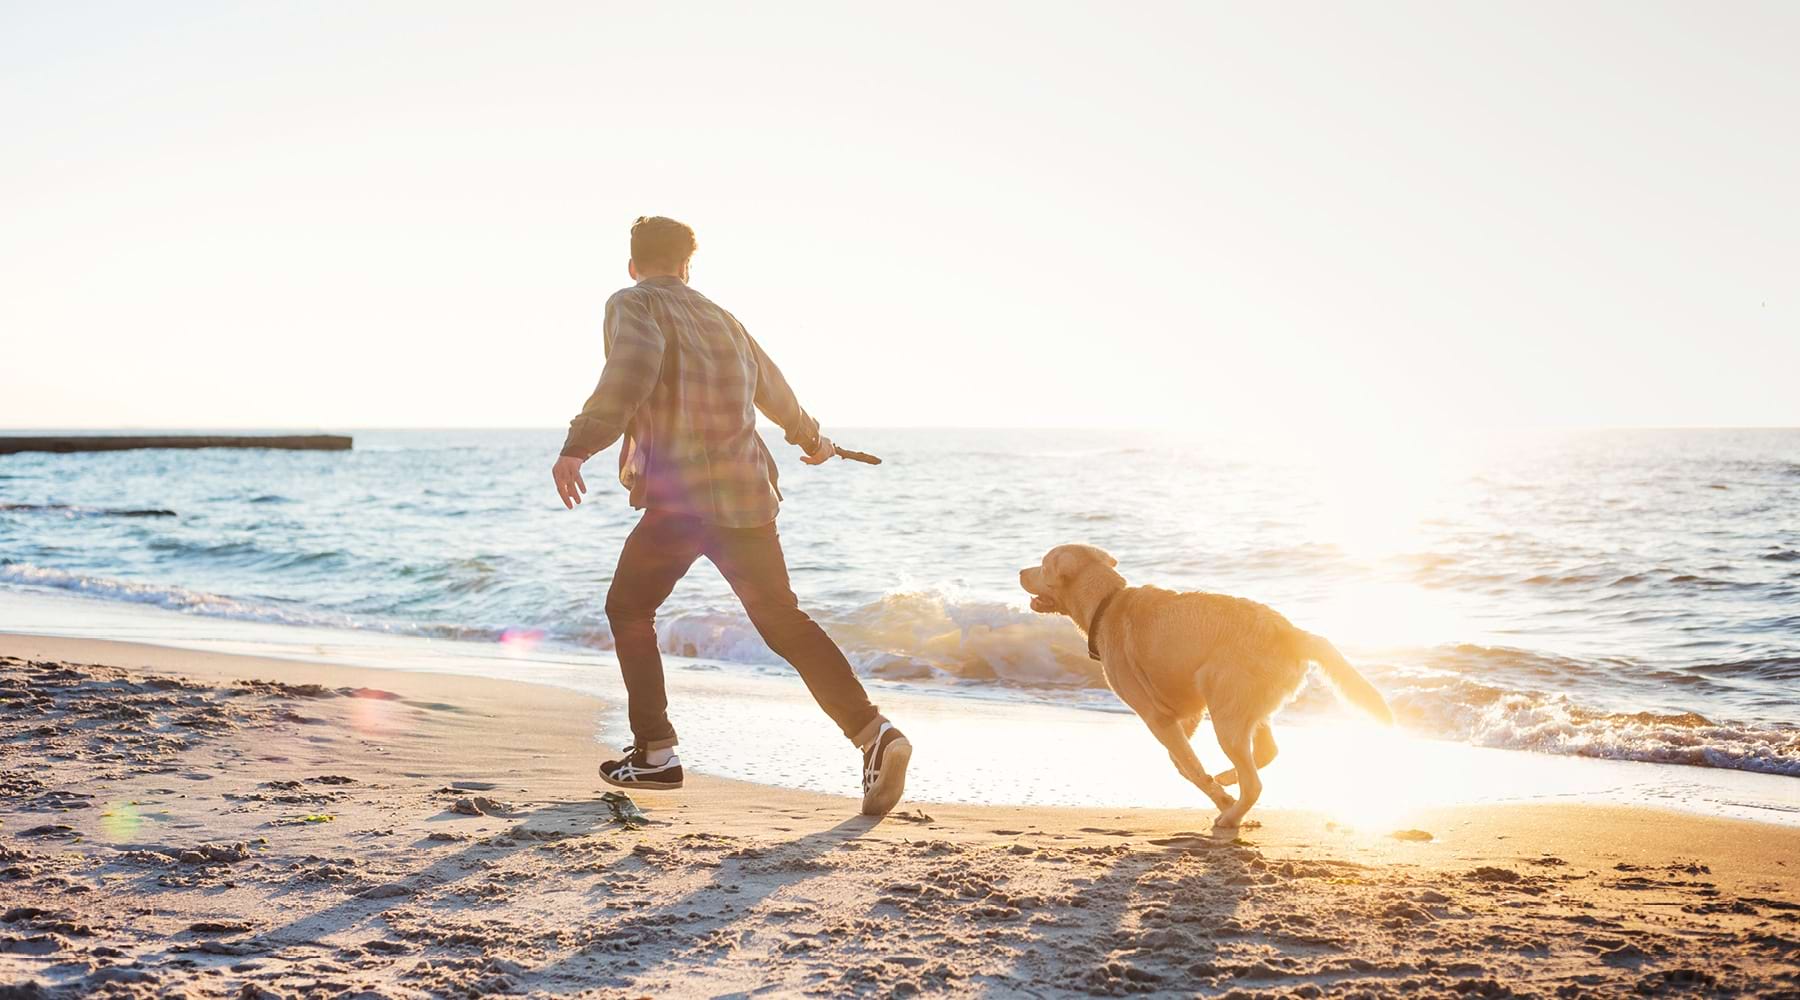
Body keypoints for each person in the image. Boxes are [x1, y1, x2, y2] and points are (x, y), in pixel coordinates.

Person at [551, 216, 911, 816]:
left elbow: (631, 371)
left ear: (634, 264)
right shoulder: (723, 318)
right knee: (783, 621)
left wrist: (578, 444)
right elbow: (775, 388)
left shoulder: (631, 304)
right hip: (747, 497)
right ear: (689, 266)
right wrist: (812, 439)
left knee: (629, 608)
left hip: (681, 499)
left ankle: (656, 754)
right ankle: (875, 734)